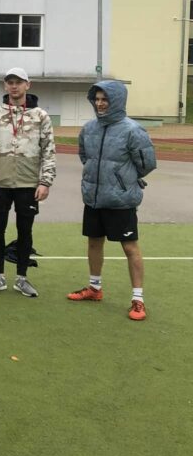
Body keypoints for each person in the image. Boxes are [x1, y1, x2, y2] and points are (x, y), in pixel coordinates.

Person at [68, 81, 156, 321]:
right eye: (96, 99)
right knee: (94, 242)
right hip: (94, 198)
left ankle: (138, 299)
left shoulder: (133, 130)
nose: (100, 103)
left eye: (104, 99)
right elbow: (85, 156)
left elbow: (147, 163)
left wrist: (122, 179)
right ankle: (94, 288)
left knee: (130, 247)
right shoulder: (89, 128)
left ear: (116, 100)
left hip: (121, 200)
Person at [0, 67, 56, 297]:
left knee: (25, 231)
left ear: (27, 85)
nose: (14, 86)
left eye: (18, 82)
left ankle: (22, 278)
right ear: (5, 86)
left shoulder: (41, 116)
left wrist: (45, 182)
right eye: (10, 82)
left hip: (28, 184)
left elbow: (49, 151)